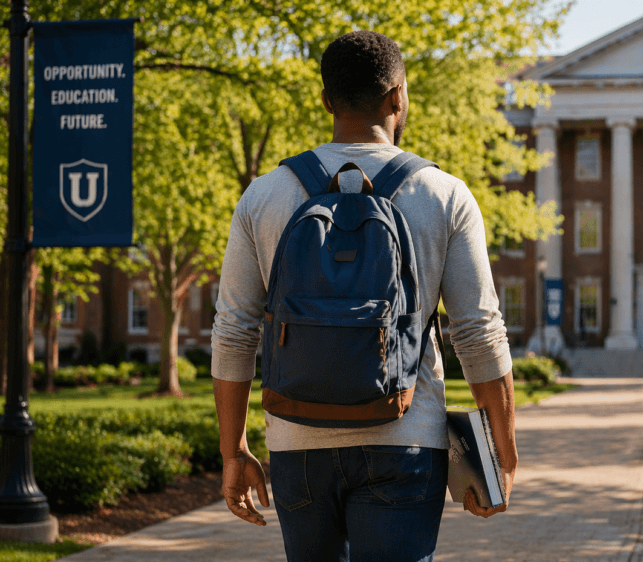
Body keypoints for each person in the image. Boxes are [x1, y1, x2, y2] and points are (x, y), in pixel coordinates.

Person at [211, 30, 517, 561]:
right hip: (406, 439)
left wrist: (233, 448)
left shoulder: (264, 195)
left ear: (326, 99)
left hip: (295, 442)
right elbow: (477, 331)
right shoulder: (444, 195)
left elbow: (235, 330)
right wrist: (503, 455)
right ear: (398, 97)